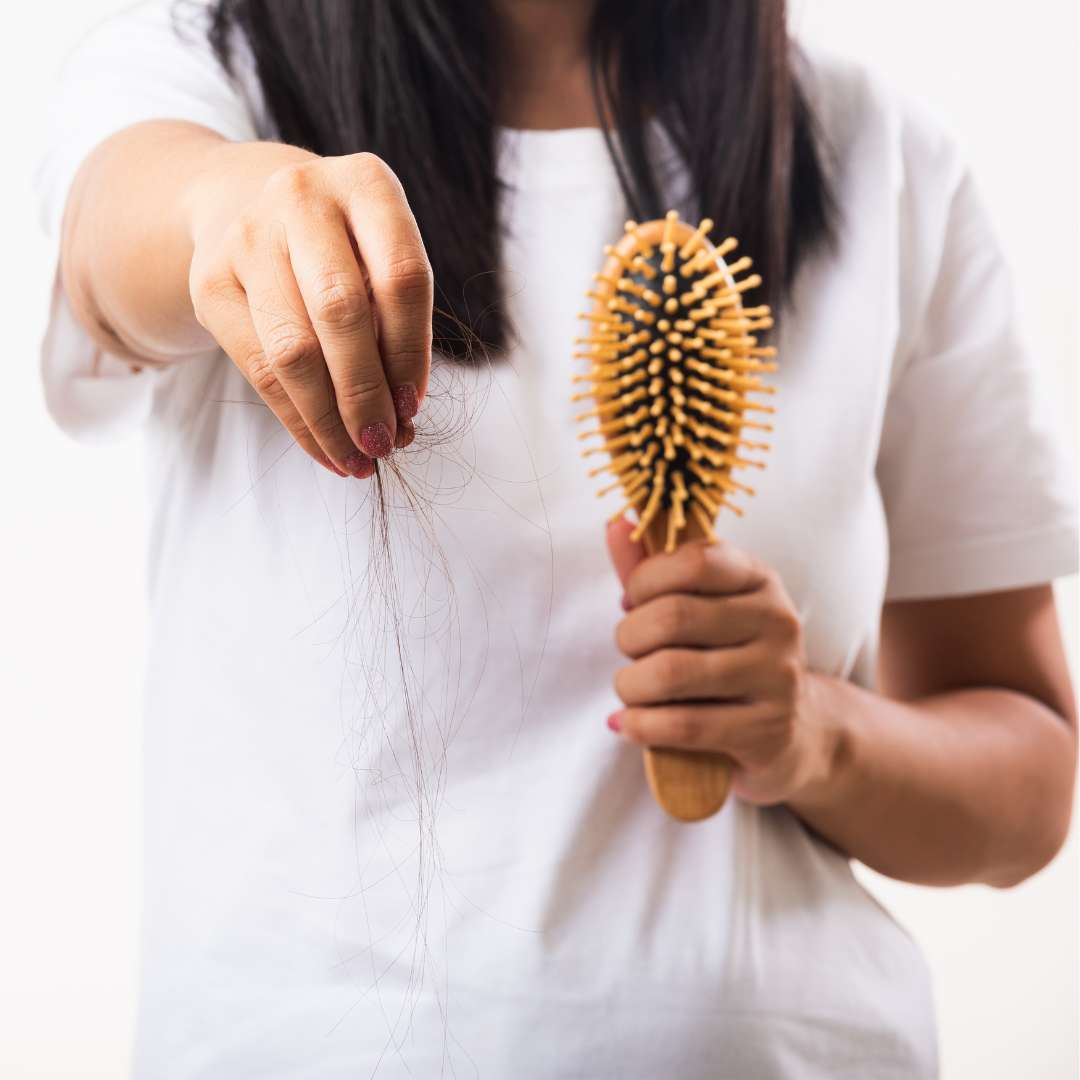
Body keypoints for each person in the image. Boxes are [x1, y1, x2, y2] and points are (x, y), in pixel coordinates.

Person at [37, 0, 1077, 1076]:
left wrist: (817, 734)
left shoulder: (879, 155)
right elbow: (113, 246)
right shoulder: (202, 73)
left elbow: (1029, 774)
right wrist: (231, 202)